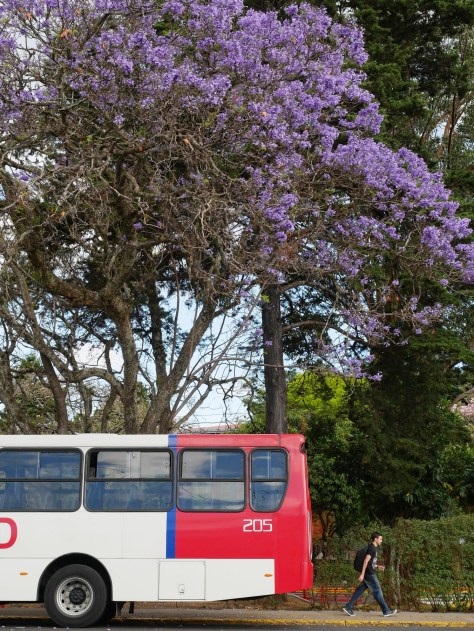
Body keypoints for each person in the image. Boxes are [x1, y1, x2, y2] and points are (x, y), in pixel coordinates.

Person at [342, 531, 397, 617]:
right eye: (380, 539)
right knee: (378, 591)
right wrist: (362, 574)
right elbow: (366, 561)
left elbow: (370, 563)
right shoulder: (372, 549)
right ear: (375, 539)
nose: (381, 541)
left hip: (368, 572)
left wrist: (378, 567)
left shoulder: (372, 548)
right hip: (369, 574)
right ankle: (386, 611)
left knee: (360, 590)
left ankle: (348, 607)